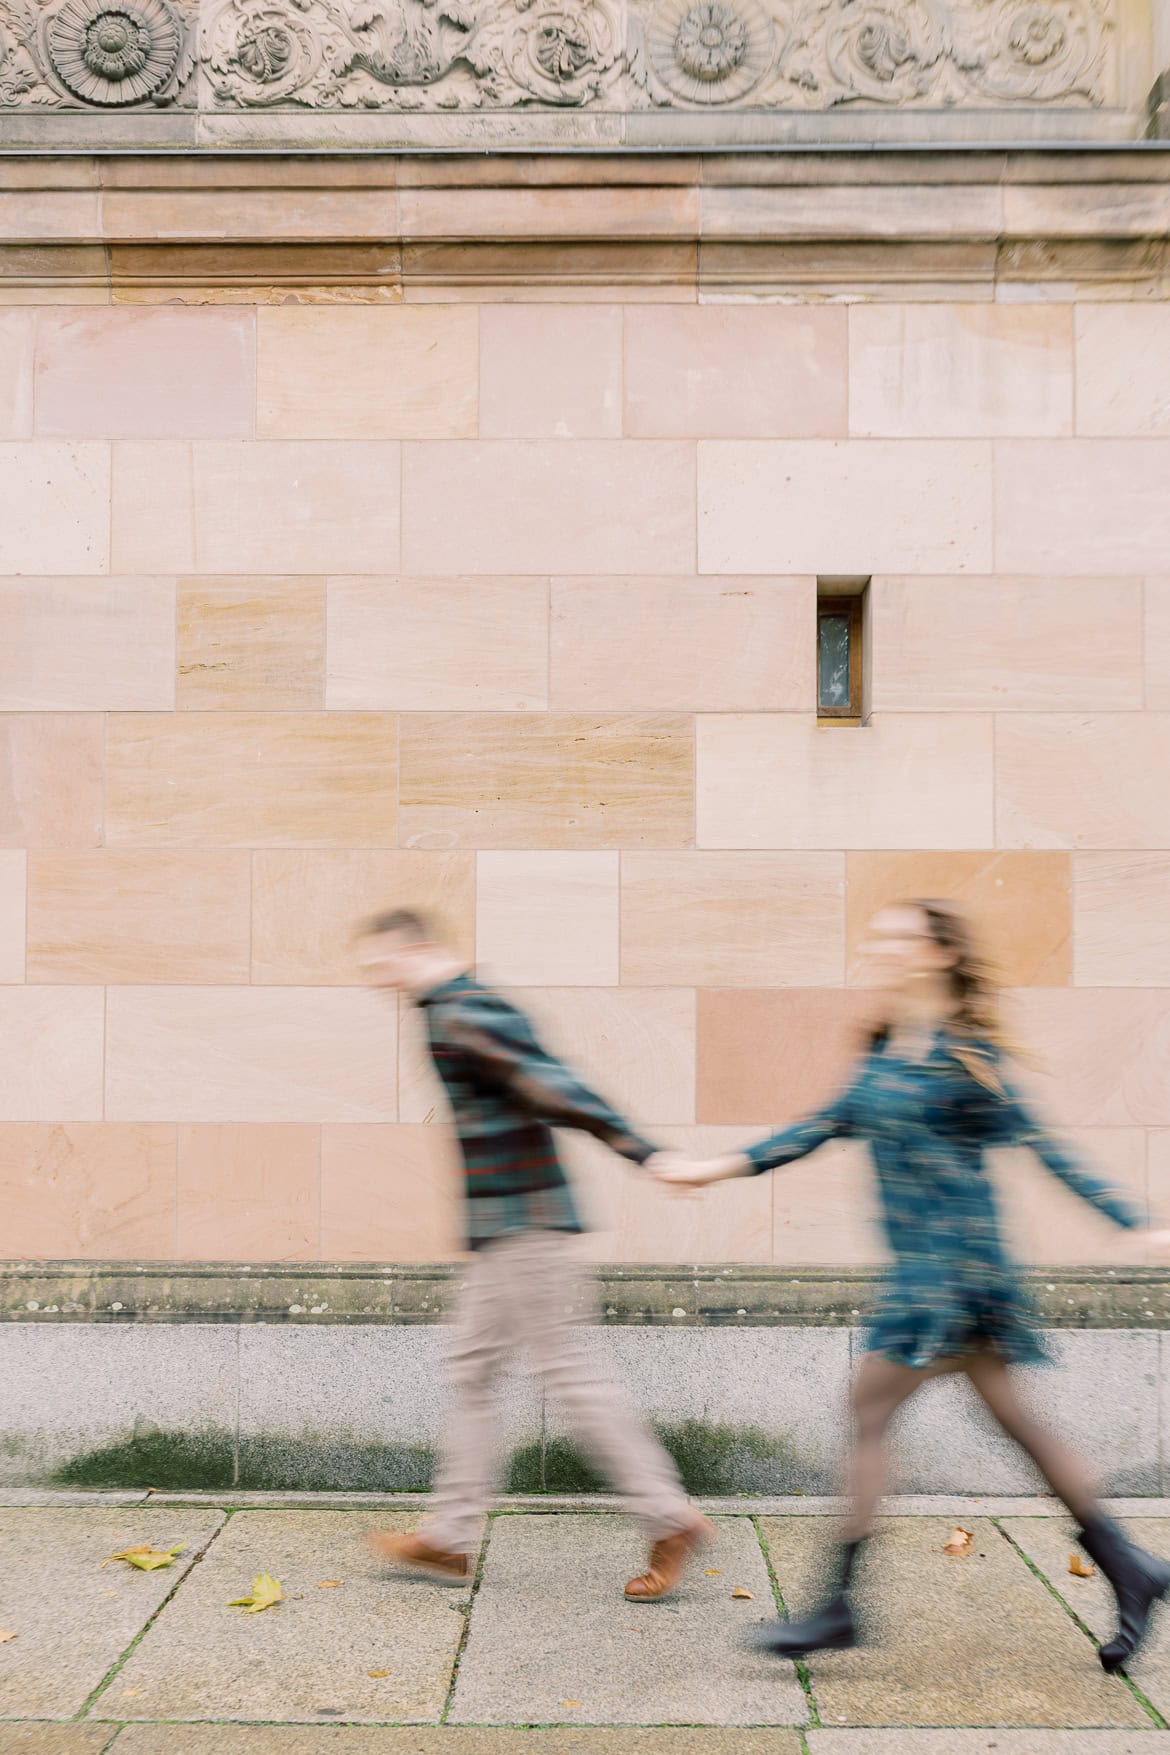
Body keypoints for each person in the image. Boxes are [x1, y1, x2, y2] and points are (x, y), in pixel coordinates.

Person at [653, 898, 1170, 1673]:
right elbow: (810, 1130)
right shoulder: (888, 1053)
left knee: (870, 1408)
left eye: (898, 937)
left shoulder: (965, 1058)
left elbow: (1044, 1147)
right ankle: (1132, 1567)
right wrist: (710, 1167)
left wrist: (1131, 1220)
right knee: (1018, 1425)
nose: (881, 948)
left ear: (936, 954)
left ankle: (838, 1606)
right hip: (933, 1276)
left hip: (952, 1277)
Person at [358, 906, 710, 1599]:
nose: (376, 979)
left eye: (380, 963)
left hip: (526, 1224)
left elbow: (550, 1083)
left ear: (415, 949)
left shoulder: (460, 1011)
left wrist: (643, 1150)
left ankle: (669, 1516)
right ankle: (448, 1537)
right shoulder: (451, 1008)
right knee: (473, 1367)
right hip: (504, 1226)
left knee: (571, 1374)